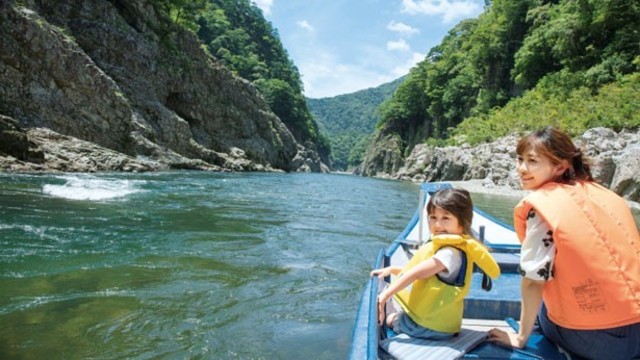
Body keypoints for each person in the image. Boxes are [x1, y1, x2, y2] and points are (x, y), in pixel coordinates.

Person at [487, 126, 640, 360]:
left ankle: (534, 340)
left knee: (542, 305)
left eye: (532, 161)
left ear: (560, 166)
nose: (522, 169)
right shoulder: (605, 195)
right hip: (636, 332)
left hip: (603, 343)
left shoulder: (543, 206)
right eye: (520, 159)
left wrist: (519, 338)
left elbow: (532, 280)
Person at [371, 188, 500, 339]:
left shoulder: (449, 253)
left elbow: (417, 273)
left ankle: (392, 319)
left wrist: (385, 296)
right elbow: (427, 273)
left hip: (427, 327)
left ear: (463, 222)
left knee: (391, 318)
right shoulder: (455, 248)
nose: (437, 224)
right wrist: (393, 269)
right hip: (442, 325)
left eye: (446, 218)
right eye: (433, 217)